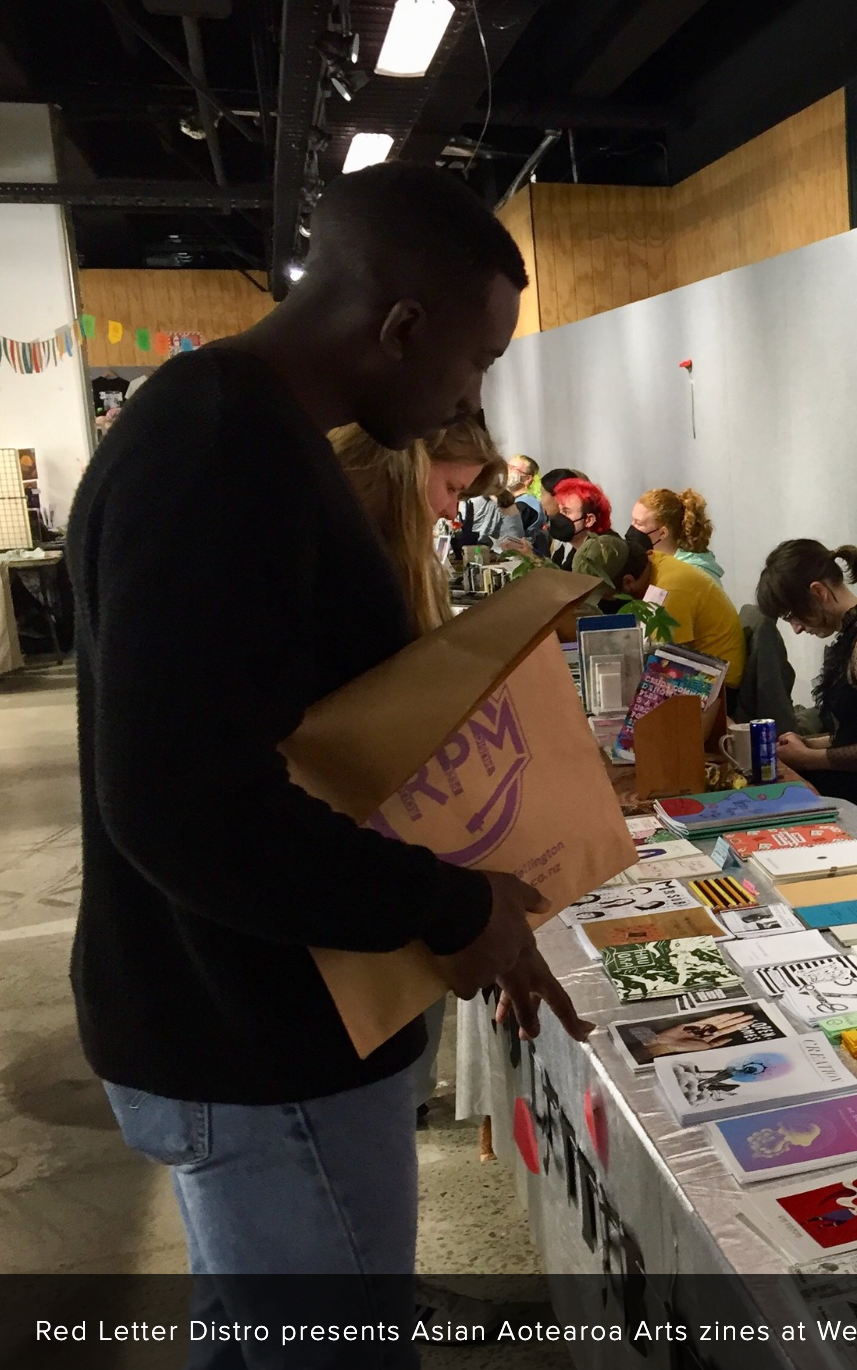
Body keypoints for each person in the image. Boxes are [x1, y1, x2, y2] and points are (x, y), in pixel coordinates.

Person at [66, 163, 588, 1335]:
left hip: (253, 1022)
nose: (473, 389)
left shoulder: (237, 428)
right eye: (478, 358)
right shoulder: (218, 446)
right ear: (401, 325)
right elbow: (181, 797)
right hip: (262, 1040)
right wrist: (448, 905)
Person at [333, 415, 509, 1127]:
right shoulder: (356, 576)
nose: (450, 509)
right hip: (362, 899)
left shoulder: (373, 564)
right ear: (406, 467)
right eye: (450, 487)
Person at [757, 540, 857, 823]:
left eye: (792, 616)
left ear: (818, 592)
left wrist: (808, 758)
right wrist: (807, 744)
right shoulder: (853, 637)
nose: (796, 628)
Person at [588, 537, 747, 692]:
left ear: (628, 581)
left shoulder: (670, 591)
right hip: (700, 670)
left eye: (608, 596)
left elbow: (667, 662)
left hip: (717, 687)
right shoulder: (654, 561)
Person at [630, 487, 724, 581]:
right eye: (632, 521)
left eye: (638, 523)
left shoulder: (690, 573)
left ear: (663, 533)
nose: (632, 527)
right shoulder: (656, 563)